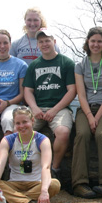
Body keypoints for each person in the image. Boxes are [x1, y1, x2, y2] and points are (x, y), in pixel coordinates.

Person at [22, 28, 76, 180]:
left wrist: (54, 110)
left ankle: (54, 169)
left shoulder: (66, 63)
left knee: (63, 133)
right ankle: (25, 170)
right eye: (41, 41)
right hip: (37, 108)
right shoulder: (34, 65)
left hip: (60, 109)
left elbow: (72, 91)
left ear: (54, 41)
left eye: (47, 40)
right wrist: (34, 108)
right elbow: (28, 91)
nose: (44, 44)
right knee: (21, 131)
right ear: (37, 44)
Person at [0, 106, 61, 203]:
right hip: (14, 184)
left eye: (25, 122)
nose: (21, 126)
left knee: (54, 184)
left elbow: (46, 167)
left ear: (32, 121)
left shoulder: (42, 140)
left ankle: (12, 202)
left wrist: (43, 191)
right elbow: (0, 163)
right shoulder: (8, 140)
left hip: (36, 183)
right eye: (18, 123)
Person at [71, 27, 102, 199]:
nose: (96, 44)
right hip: (86, 108)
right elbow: (81, 94)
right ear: (88, 43)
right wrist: (90, 116)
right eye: (93, 41)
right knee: (82, 134)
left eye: (99, 41)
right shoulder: (80, 65)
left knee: (101, 134)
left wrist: (96, 118)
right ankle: (79, 183)